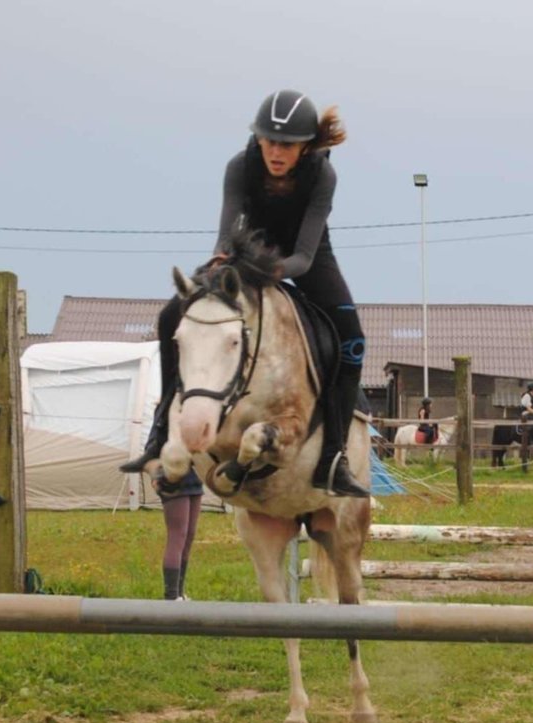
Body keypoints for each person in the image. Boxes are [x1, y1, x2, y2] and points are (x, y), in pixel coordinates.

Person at [121, 89, 369, 498]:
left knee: (354, 341)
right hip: (242, 255)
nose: (275, 151)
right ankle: (159, 433)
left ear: (306, 147)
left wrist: (268, 271)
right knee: (171, 316)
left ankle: (333, 458)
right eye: (268, 140)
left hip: (302, 260)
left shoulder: (322, 175)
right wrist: (225, 265)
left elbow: (303, 257)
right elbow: (225, 237)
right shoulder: (240, 166)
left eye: (287, 144)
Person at [153, 466, 203, 601]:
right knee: (177, 536)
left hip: (195, 480)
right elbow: (152, 448)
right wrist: (156, 476)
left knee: (188, 536)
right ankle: (171, 596)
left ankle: (179, 593)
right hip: (173, 481)